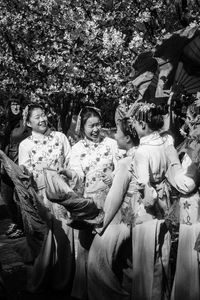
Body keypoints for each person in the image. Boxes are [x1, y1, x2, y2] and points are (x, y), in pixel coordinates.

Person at [67, 106, 123, 300]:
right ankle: (83, 290)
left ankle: (105, 289)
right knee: (85, 247)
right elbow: (76, 174)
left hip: (111, 201)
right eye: (91, 126)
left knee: (107, 247)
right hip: (89, 203)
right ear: (82, 127)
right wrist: (70, 175)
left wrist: (113, 176)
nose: (96, 129)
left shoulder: (112, 143)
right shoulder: (77, 149)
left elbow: (122, 168)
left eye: (98, 124)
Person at [18, 103, 75, 293]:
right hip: (41, 196)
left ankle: (65, 279)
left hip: (62, 193)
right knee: (45, 239)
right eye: (37, 117)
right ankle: (45, 279)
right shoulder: (25, 145)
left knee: (65, 234)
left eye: (43, 115)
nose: (42, 119)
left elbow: (71, 160)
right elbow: (24, 174)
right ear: (28, 122)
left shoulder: (60, 137)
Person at [87, 116, 139, 300]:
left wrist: (100, 224)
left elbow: (114, 199)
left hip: (120, 219)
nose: (114, 135)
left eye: (117, 132)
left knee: (96, 261)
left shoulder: (126, 163)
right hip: (136, 218)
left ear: (127, 138)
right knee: (128, 263)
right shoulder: (139, 155)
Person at [129, 102, 174, 300]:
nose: (134, 127)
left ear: (143, 124)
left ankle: (148, 294)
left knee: (146, 251)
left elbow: (143, 184)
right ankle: (164, 291)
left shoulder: (142, 151)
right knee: (164, 247)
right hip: (166, 197)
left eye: (136, 124)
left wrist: (148, 199)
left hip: (149, 202)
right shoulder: (167, 141)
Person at [165, 101, 200, 300]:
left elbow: (187, 184)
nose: (186, 121)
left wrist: (172, 159)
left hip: (195, 210)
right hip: (191, 208)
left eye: (189, 117)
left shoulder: (198, 143)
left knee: (191, 262)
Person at [1, 97, 30, 238]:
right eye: (13, 104)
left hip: (17, 164)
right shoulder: (7, 123)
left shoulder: (24, 123)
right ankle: (15, 222)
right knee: (7, 197)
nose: (15, 107)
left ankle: (22, 226)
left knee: (19, 197)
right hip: (4, 165)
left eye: (18, 104)